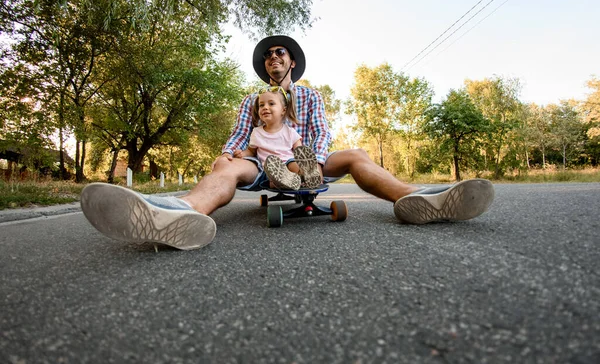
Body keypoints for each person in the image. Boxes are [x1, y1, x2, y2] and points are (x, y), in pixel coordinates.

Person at [81, 35, 495, 250]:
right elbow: (239, 136)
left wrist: (306, 160)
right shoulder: (253, 101)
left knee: (356, 154)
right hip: (261, 164)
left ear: (291, 60)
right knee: (225, 166)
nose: (273, 59)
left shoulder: (311, 95)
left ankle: (418, 200)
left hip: (305, 160)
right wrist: (229, 152)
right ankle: (176, 213)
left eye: (280, 54)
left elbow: (321, 133)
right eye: (268, 56)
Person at [233, 86, 321, 190]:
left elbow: (299, 151)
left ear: (283, 110)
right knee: (272, 179)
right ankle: (290, 181)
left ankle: (306, 176)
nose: (265, 107)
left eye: (271, 104)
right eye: (261, 105)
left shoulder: (290, 132)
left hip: (289, 163)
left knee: (295, 163)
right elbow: (251, 151)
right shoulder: (257, 132)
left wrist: (303, 160)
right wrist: (242, 154)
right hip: (270, 169)